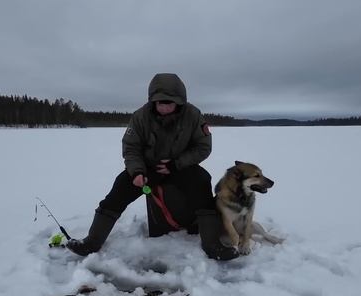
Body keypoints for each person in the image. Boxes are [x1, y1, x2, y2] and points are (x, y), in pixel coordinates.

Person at [67, 73, 239, 260]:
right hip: (148, 168)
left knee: (202, 182)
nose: (164, 107)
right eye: (160, 103)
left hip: (180, 167)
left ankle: (212, 245)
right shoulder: (140, 117)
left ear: (180, 102)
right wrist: (137, 172)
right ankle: (92, 243)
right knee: (119, 189)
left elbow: (203, 147)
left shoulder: (193, 115)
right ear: (152, 101)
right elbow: (131, 148)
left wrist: (176, 164)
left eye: (169, 103)